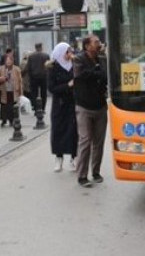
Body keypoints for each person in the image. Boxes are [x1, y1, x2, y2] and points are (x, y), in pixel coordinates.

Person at [72, 35, 108, 187]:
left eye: (99, 42)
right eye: (96, 42)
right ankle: (82, 176)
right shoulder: (79, 59)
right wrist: (97, 73)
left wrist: (97, 74)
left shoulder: (102, 58)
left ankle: (96, 172)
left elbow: (107, 76)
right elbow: (80, 76)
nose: (99, 44)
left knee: (99, 142)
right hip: (84, 107)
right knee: (85, 141)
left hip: (100, 106)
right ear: (87, 46)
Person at [48, 42, 77, 172]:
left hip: (73, 102)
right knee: (58, 130)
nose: (69, 54)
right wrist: (68, 85)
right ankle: (59, 158)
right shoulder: (53, 67)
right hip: (59, 104)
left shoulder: (74, 65)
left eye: (70, 51)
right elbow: (51, 87)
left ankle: (74, 157)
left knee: (74, 130)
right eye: (67, 52)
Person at [0, 54, 22, 127]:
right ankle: (4, 120)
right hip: (4, 90)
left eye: (10, 60)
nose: (8, 62)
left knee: (12, 106)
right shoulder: (1, 69)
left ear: (12, 61)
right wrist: (2, 78)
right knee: (4, 106)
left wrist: (21, 92)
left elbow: (20, 81)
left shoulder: (16, 69)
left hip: (13, 90)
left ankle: (12, 120)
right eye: (7, 61)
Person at [26, 43, 49, 112]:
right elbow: (48, 67)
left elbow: (28, 68)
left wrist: (30, 77)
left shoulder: (31, 56)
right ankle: (43, 108)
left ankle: (36, 108)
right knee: (43, 93)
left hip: (34, 77)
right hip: (44, 77)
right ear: (41, 47)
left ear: (35, 48)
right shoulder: (46, 56)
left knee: (34, 93)